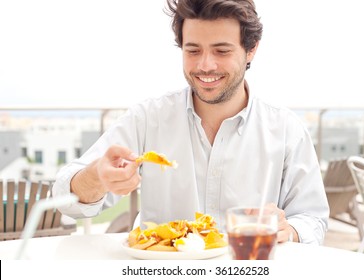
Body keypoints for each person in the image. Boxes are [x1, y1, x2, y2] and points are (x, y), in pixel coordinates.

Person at [53, 0, 329, 244]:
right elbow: (66, 198)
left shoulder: (286, 129)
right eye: (193, 51)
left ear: (251, 50)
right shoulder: (148, 118)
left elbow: (313, 218)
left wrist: (288, 230)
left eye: (222, 51)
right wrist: (97, 177)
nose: (205, 65)